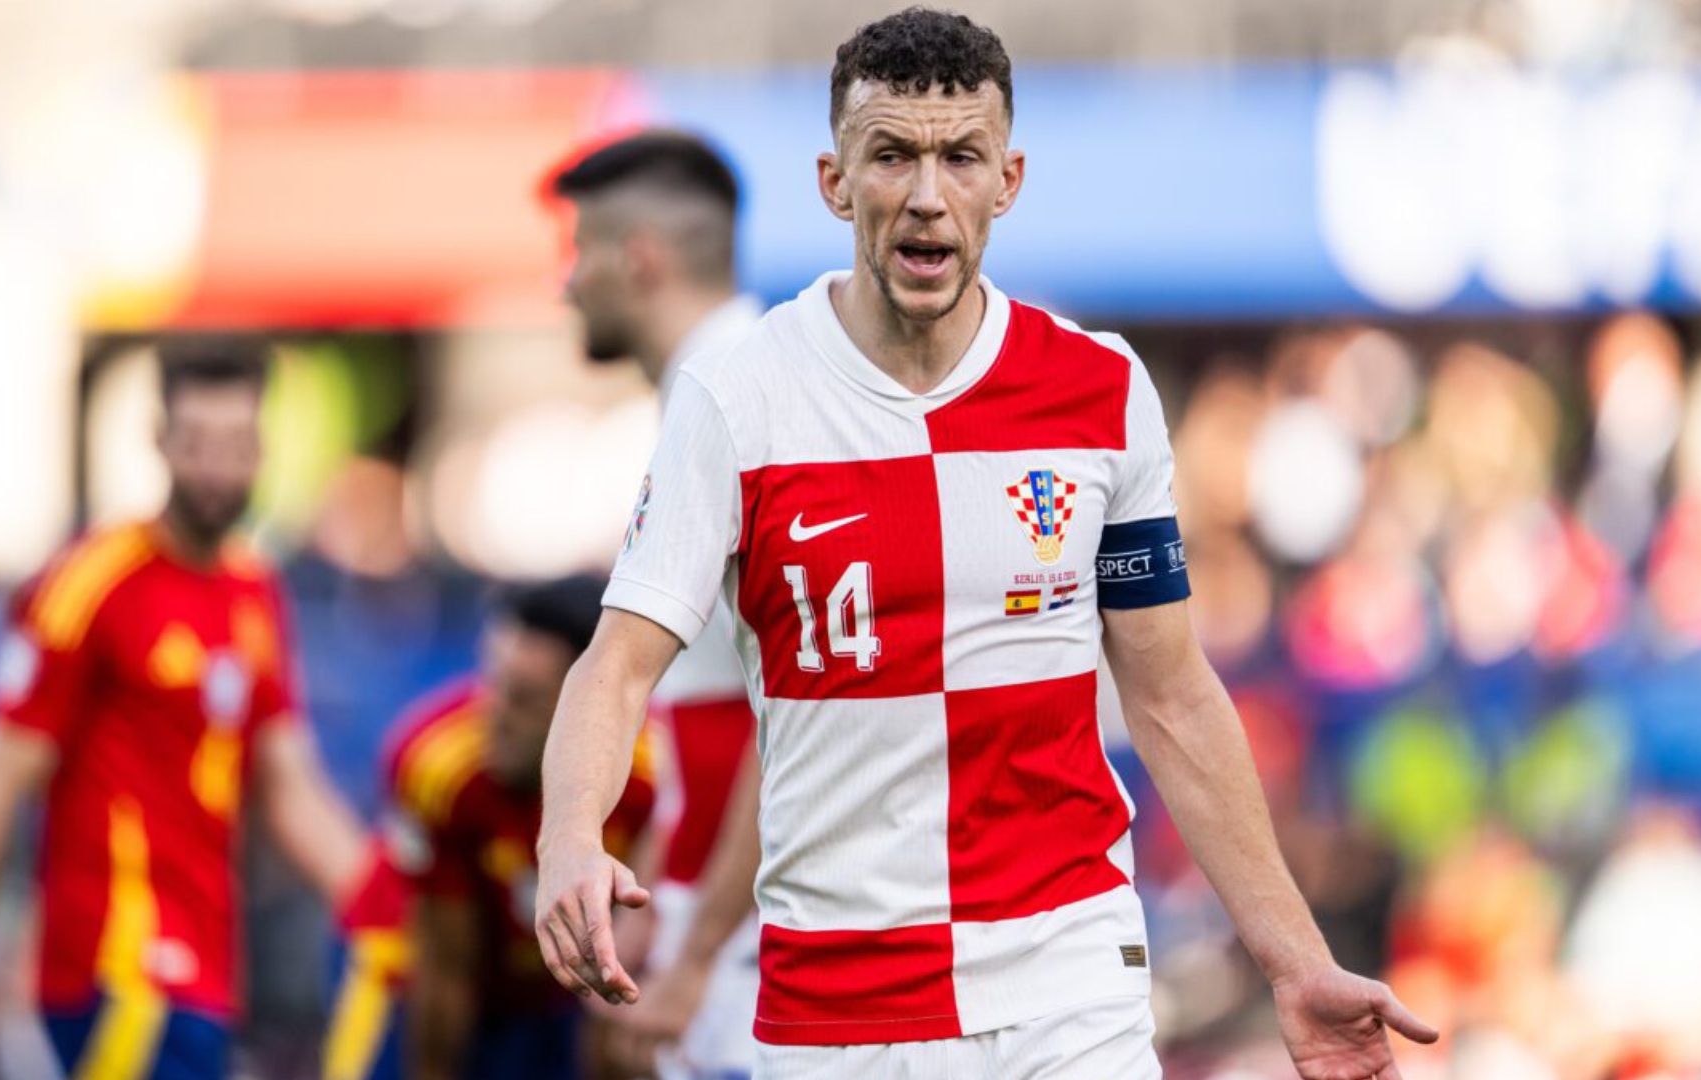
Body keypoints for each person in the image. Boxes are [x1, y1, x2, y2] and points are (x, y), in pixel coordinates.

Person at [533, 8, 1440, 1080]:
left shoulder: (1101, 390)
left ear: (1007, 181)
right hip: (838, 1006)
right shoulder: (737, 397)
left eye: (961, 157)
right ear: (834, 182)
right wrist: (569, 841)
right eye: (892, 156)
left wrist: (1296, 962)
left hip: (1068, 988)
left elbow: (1171, 695)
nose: (928, 194)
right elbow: (617, 664)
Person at [0, 341, 368, 1080]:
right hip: (117, 971)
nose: (217, 470)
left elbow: (291, 788)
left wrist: (390, 906)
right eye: (197, 444)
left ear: (263, 448)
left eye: (236, 446)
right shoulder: (92, 583)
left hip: (208, 977)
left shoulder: (254, 592)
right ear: (160, 441)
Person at [550, 130, 765, 1080]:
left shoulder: (746, 400)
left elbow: (799, 715)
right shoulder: (710, 392)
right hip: (729, 930)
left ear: (639, 257)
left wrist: (701, 953)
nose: (567, 284)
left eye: (580, 250)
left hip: (761, 954)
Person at [327, 576, 659, 1080]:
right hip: (412, 968)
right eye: (495, 684)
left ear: (586, 710)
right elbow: (445, 970)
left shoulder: (650, 777)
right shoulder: (439, 766)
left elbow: (626, 970)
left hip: (555, 985)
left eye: (525, 699)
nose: (495, 716)